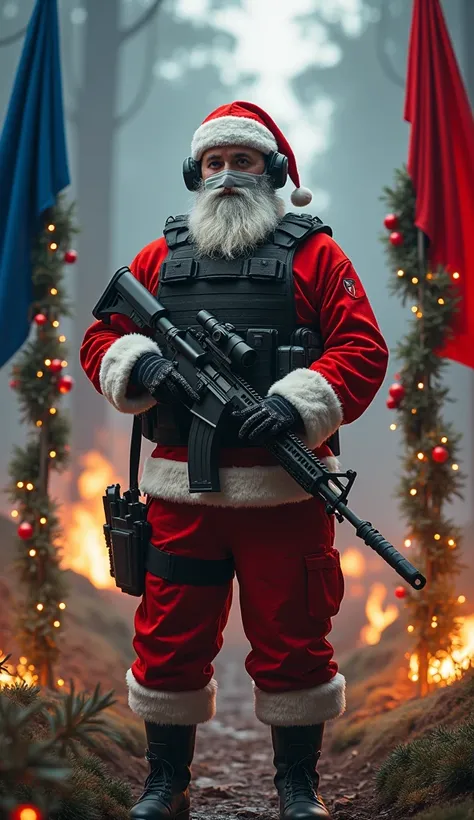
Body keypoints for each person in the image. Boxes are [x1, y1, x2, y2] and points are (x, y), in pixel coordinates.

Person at [80, 100, 389, 820]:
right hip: (180, 495)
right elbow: (102, 339)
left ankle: (297, 786)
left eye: (241, 161)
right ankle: (166, 783)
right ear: (196, 172)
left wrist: (294, 404)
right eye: (214, 163)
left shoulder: (317, 255)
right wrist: (144, 366)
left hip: (284, 495)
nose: (226, 176)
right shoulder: (161, 259)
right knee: (168, 637)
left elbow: (363, 349)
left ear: (271, 171)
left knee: (295, 640)